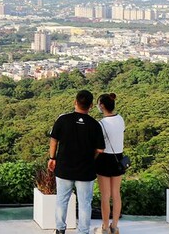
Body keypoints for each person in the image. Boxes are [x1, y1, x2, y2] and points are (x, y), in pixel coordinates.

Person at [48, 89, 104, 234]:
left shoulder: (63, 120)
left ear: (75, 102)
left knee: (62, 200)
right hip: (86, 170)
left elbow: (54, 140)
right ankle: (83, 231)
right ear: (91, 106)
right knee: (85, 203)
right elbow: (100, 149)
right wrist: (91, 159)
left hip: (64, 167)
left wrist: (52, 158)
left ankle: (60, 229)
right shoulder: (95, 125)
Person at [95, 93, 126, 234]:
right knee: (116, 194)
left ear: (101, 106)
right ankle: (115, 226)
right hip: (118, 158)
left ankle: (105, 227)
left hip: (104, 159)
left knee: (105, 196)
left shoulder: (101, 124)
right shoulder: (121, 119)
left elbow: (99, 147)